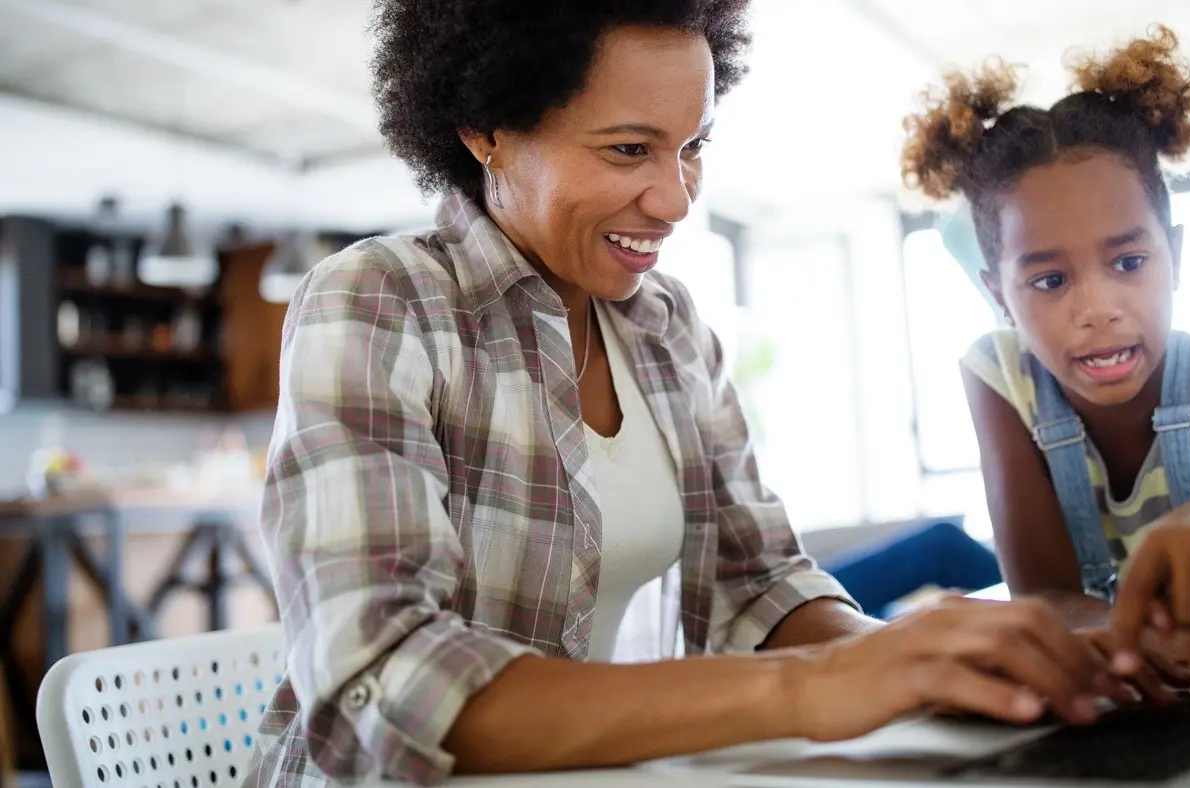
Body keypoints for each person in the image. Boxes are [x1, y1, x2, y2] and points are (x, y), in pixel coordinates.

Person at [245, 3, 1137, 785]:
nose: (675, 200)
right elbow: (383, 674)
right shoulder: (379, 302)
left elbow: (760, 584)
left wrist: (930, 661)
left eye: (693, 147)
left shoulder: (667, 327)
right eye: (630, 149)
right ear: (488, 129)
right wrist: (815, 690)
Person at [899, 26, 1190, 681]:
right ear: (999, 297)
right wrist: (1150, 645)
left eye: (1128, 261)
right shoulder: (1001, 378)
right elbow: (1044, 598)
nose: (1097, 307)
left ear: (1174, 257)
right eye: (1049, 280)